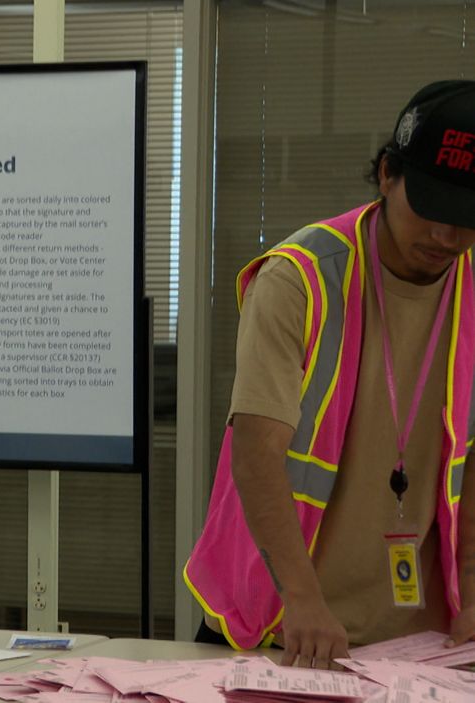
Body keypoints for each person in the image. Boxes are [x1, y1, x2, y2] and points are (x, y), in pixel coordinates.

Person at [185, 80, 475, 668]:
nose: (447, 237)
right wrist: (303, 599)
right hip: (284, 625)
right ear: (387, 175)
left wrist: (472, 590)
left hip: (419, 645)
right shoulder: (301, 278)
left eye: (467, 217)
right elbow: (256, 456)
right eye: (431, 209)